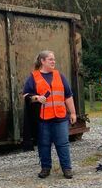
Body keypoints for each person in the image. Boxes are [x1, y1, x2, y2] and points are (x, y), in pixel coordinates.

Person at [22, 50, 77, 179]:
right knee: (43, 144)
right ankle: (45, 168)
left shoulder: (60, 76)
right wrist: (36, 98)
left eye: (54, 59)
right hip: (43, 119)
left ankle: (67, 169)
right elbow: (25, 95)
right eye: (50, 59)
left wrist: (73, 112)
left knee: (63, 144)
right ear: (42, 61)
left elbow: (68, 96)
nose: (54, 61)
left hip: (60, 117)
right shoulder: (33, 77)